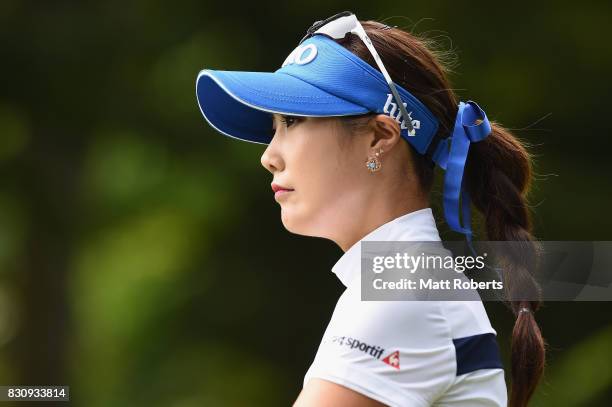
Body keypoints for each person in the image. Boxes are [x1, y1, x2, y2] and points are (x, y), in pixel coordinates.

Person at [195, 11, 545, 407]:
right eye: (275, 127)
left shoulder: (402, 294)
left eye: (292, 120)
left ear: (381, 136)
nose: (269, 157)